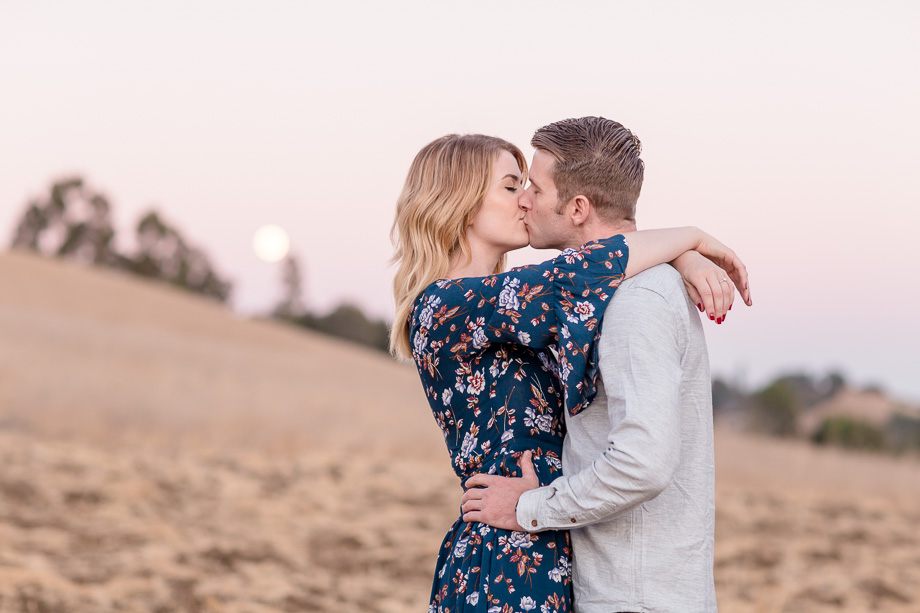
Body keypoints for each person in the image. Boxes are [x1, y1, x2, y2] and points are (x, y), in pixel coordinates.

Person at [390, 131, 748, 613]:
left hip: (547, 544)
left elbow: (593, 271)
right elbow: (589, 268)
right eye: (512, 186)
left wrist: (677, 258)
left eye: (529, 187)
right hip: (503, 555)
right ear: (462, 203)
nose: (527, 201)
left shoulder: (526, 311)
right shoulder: (444, 305)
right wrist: (690, 239)